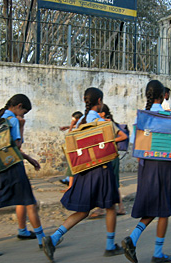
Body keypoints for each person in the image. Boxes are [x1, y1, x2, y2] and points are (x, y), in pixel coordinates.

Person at [42, 87, 127, 262]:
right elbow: (123, 136)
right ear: (99, 101)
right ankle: (110, 246)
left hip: (83, 170)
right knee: (110, 206)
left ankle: (54, 238)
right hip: (102, 169)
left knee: (83, 210)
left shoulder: (81, 120)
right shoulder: (102, 121)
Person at [0, 94, 44, 257]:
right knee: (29, 202)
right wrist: (21, 126)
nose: (22, 116)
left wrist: (29, 159)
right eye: (23, 112)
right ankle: (43, 240)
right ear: (19, 106)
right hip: (13, 168)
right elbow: (17, 145)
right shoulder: (12, 120)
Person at [122, 80, 171, 263]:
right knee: (164, 209)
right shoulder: (169, 116)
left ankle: (133, 239)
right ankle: (158, 253)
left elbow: (135, 147)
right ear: (163, 96)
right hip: (164, 164)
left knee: (154, 204)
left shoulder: (141, 117)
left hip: (146, 166)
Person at [89, 104, 127, 218]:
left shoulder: (108, 123)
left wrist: (110, 141)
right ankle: (120, 208)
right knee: (112, 182)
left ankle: (103, 209)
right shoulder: (106, 122)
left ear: (103, 113)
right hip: (110, 155)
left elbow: (123, 136)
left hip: (112, 156)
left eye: (99, 113)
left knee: (110, 182)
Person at [58, 111, 83, 187]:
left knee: (73, 163)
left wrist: (71, 126)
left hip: (79, 148)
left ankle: (70, 183)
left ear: (78, 119)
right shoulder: (81, 123)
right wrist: (68, 126)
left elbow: (69, 135)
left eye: (74, 120)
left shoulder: (82, 123)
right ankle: (69, 180)